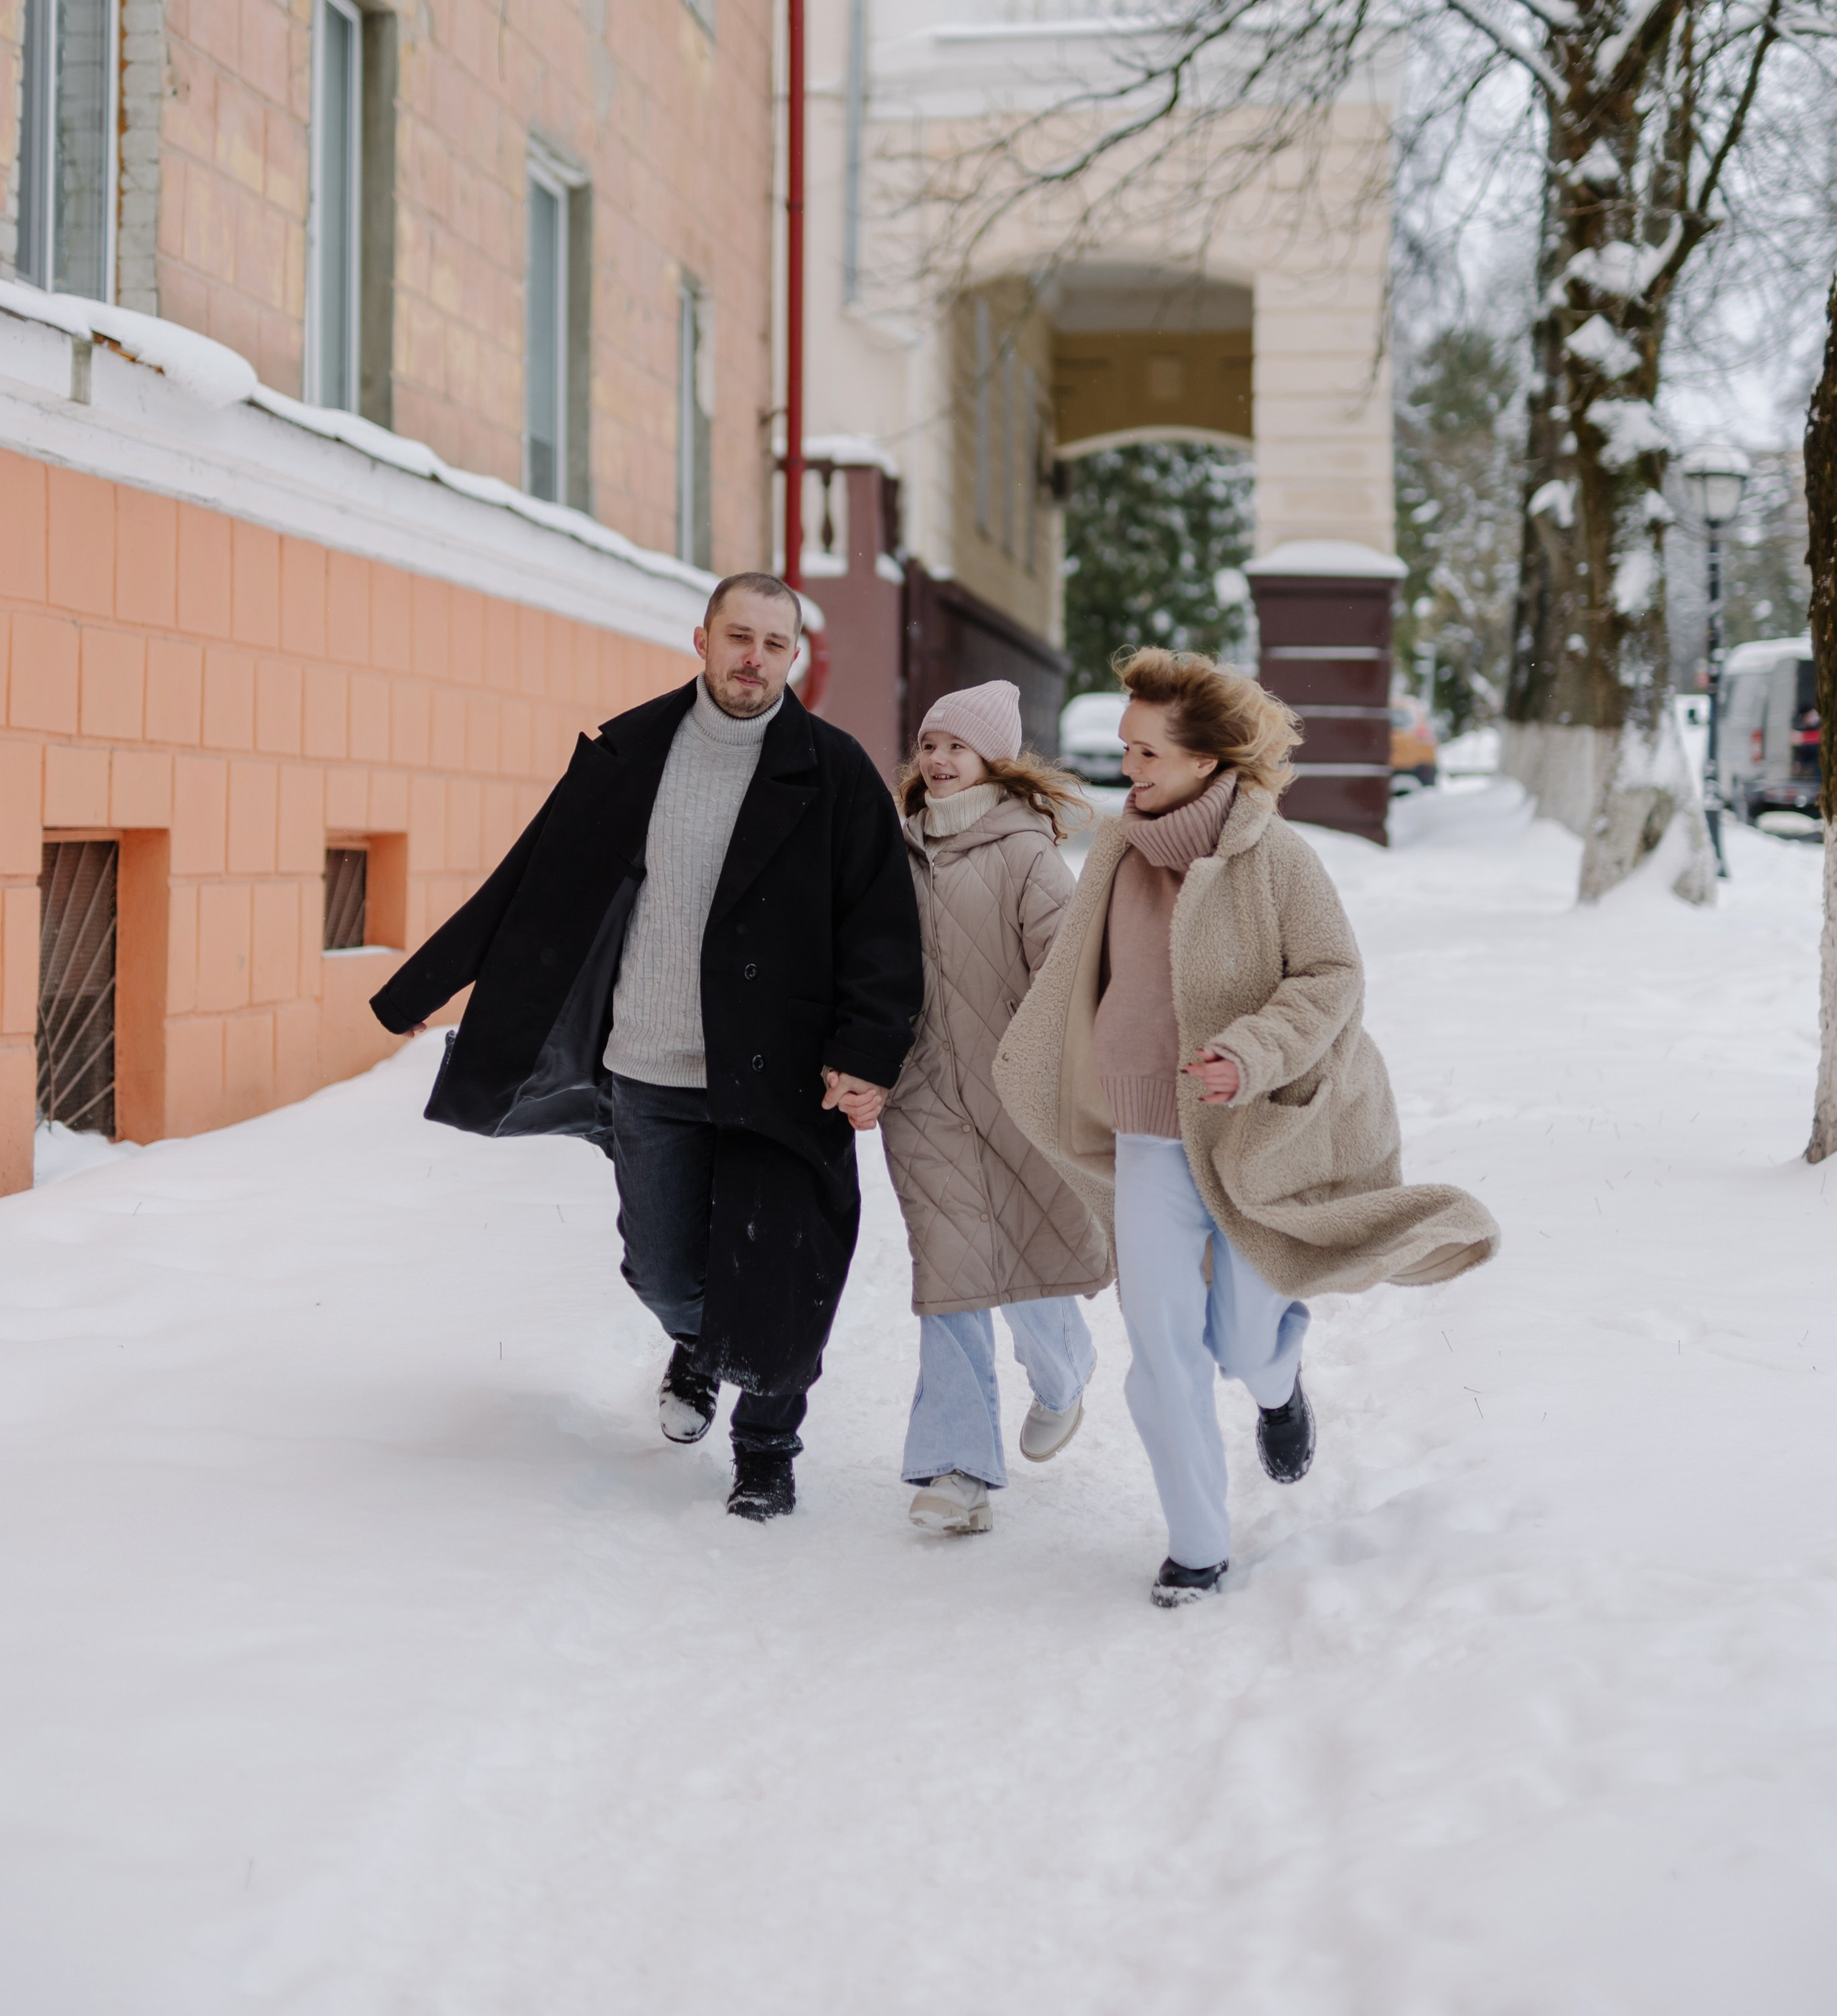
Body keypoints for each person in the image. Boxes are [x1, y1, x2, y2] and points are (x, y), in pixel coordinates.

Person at [370, 573, 923, 1522]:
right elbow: (530, 877)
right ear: (702, 638)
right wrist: (422, 989)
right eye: (738, 637)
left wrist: (867, 1053)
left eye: (774, 645)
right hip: (648, 1066)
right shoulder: (629, 751)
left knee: (780, 1270)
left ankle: (766, 1447)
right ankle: (703, 1349)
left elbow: (881, 929)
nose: (754, 659)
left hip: (778, 1076)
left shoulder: (833, 774)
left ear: (795, 658)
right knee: (664, 1269)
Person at [995, 648, 1498, 1607]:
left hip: (1259, 1140)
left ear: (1204, 758)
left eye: (1146, 750)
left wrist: (1250, 1055)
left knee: (1240, 1337)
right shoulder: (1117, 845)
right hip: (1150, 1134)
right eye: (1126, 747)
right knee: (1163, 1348)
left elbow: (1332, 978)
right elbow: (1079, 975)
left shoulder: (1276, 855)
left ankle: (1278, 1386)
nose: (1128, 765)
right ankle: (1197, 1545)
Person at [870, 680, 1112, 1537]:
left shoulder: (1026, 853)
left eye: (956, 748)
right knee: (951, 1271)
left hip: (1015, 1094)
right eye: (929, 744)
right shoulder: (891, 850)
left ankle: (1064, 1371)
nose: (937, 760)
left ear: (992, 762)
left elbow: (1069, 970)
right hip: (924, 1097)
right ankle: (956, 1467)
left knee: (1029, 1255)